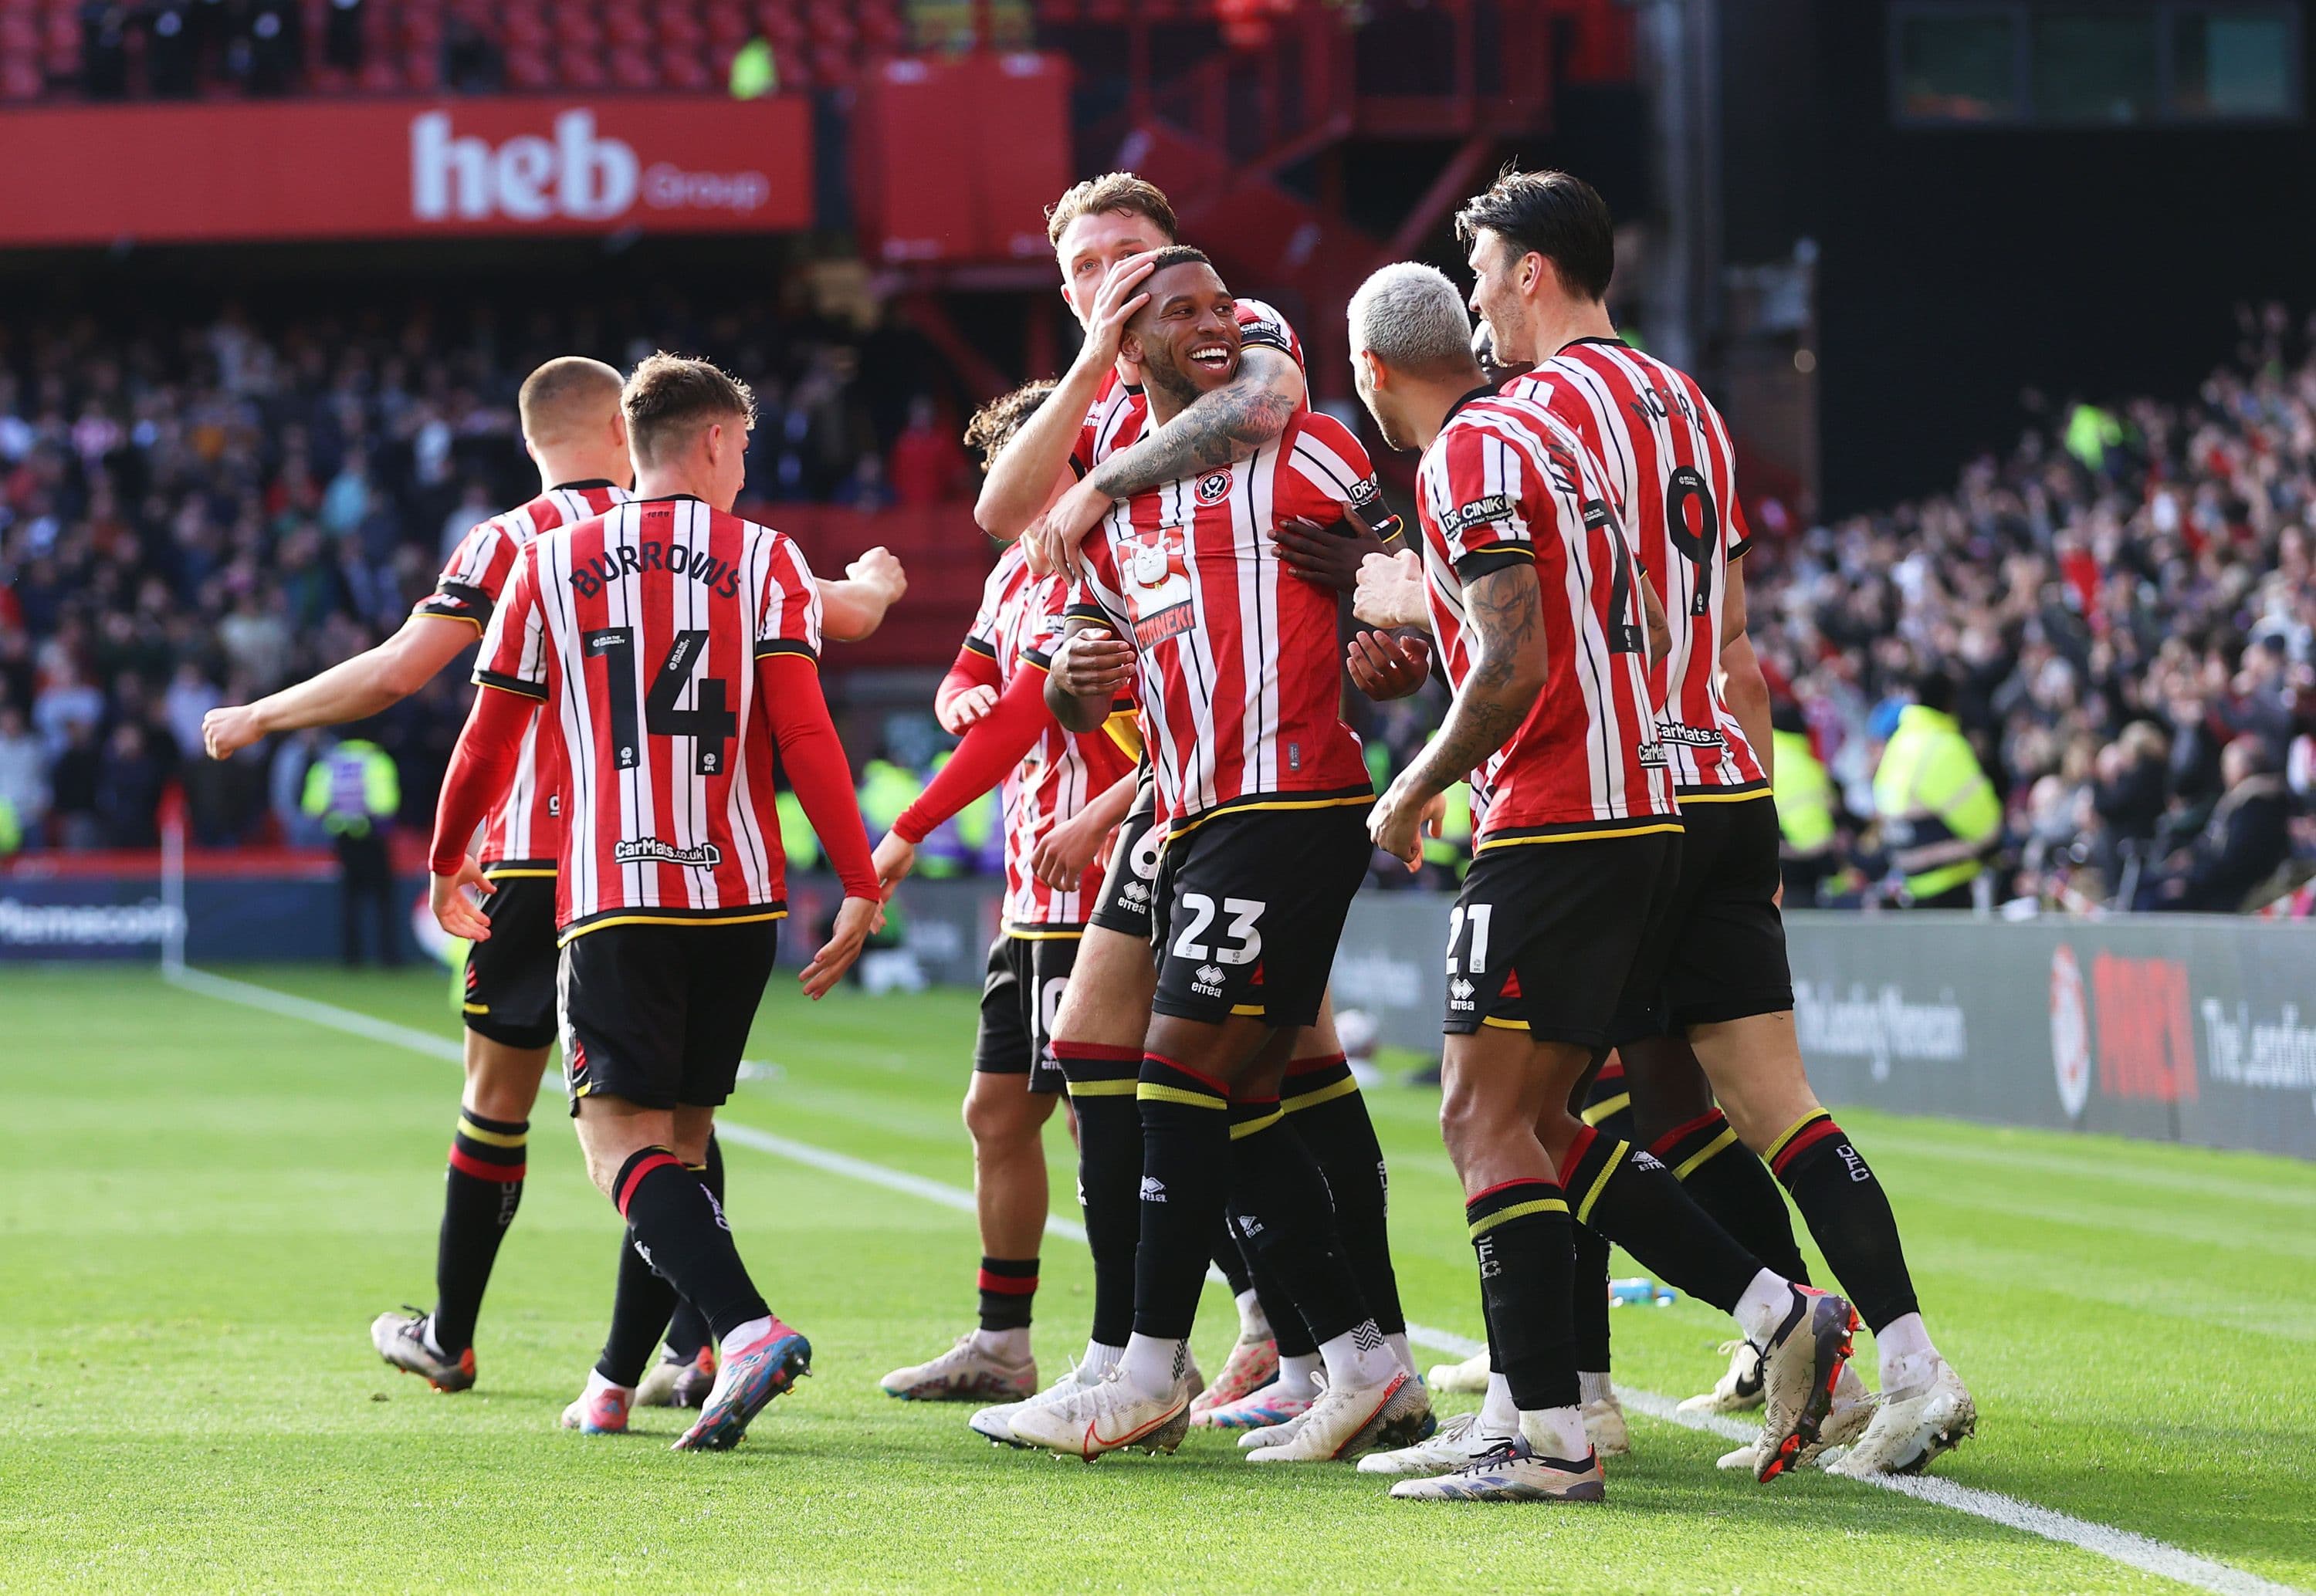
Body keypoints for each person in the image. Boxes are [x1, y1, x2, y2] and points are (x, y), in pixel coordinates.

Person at [202, 355, 906, 1396]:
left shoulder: (518, 546)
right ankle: (660, 1356)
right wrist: (876, 588)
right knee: (677, 1124)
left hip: (547, 861)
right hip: (704, 866)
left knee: (505, 1106)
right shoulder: (735, 546)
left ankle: (454, 1334)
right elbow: (826, 637)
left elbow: (403, 674)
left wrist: (265, 712)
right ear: (632, 433)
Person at [1443, 167, 1971, 1479]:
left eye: (1484, 268)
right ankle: (1899, 1360)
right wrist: (1762, 816)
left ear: (1531, 272)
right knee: (1751, 1100)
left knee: (1537, 1104)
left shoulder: (1525, 419)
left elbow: (1537, 624)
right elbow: (1731, 640)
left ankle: (1569, 1395)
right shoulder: (1692, 404)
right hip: (1730, 780)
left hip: (1622, 794)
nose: (1477, 303)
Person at [1342, 260, 1855, 1502]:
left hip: (1560, 813)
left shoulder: (1465, 455)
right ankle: (1766, 1315)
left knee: (1480, 1117)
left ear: (1369, 376)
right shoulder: (1554, 433)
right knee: (1544, 1119)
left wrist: (1412, 785)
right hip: (1649, 803)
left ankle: (1552, 1440)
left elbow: (1514, 663)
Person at [963, 174, 1416, 1452]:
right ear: (1080, 299)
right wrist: (1073, 675)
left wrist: (1391, 635)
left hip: (1282, 794)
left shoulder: (1285, 424)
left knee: (1198, 1071)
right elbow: (1071, 615)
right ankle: (1349, 1355)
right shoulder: (1101, 464)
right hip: (1182, 800)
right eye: (1100, 265)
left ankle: (1161, 1360)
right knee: (1143, 1054)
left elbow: (1402, 588)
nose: (1213, 315)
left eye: (1181, 278)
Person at [428, 353, 883, 1452]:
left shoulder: (549, 560)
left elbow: (488, 736)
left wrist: (449, 859)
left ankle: (744, 1327)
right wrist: (861, 881)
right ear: (720, 440)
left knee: (612, 1149)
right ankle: (621, 1380)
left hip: (617, 894)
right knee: (676, 1152)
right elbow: (809, 735)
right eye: (746, 449)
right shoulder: (769, 558)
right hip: (738, 898)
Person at [872, 382, 1139, 1405]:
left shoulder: (1104, 559)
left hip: (1100, 886)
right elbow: (969, 686)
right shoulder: (1013, 572)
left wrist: (908, 831)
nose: (1008, 493)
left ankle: (1173, 1341)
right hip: (1030, 892)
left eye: (1023, 470)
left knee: (1101, 1125)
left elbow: (1028, 721)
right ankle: (1005, 1342)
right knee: (1000, 1115)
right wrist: (957, 698)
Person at [1874, 669, 2001, 908]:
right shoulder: (1945, 747)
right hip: (1950, 883)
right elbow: (1986, 828)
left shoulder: (1898, 743)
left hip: (1907, 881)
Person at [2148, 736, 2291, 911]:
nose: (2223, 769)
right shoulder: (2238, 799)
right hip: (2213, 879)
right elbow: (2211, 842)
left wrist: (2191, 880)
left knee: (2157, 901)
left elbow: (2235, 860)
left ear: (2245, 767)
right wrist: (2190, 856)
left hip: (2235, 892)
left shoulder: (2256, 805)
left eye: (2227, 763)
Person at [301, 733, 401, 966]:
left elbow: (312, 807)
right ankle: (389, 957)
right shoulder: (377, 760)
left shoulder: (329, 762)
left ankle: (351, 957)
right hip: (373, 837)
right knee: (383, 901)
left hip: (343, 839)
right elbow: (386, 805)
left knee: (349, 903)